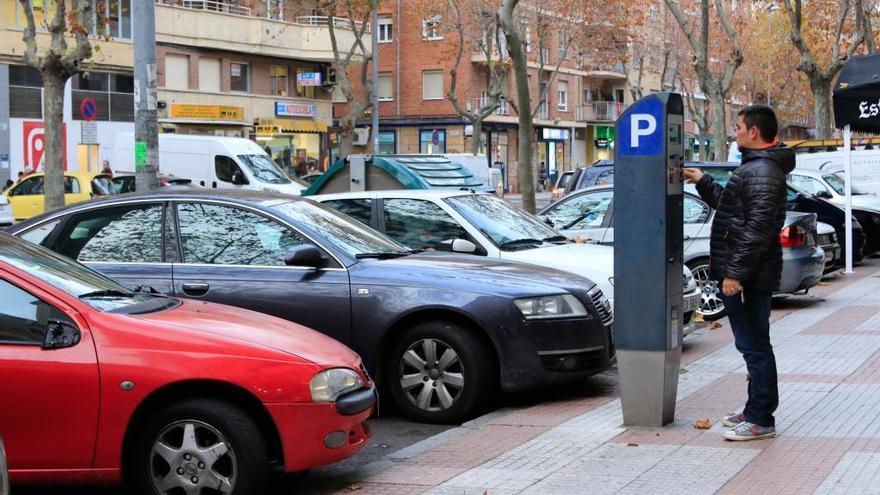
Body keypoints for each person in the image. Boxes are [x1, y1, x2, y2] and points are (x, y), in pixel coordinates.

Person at [682, 105, 793, 441]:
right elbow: (733, 210)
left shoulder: (762, 171)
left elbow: (756, 229)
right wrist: (703, 181)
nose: (735, 133)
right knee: (754, 344)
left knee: (754, 346)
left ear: (754, 132)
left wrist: (734, 274)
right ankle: (754, 408)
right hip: (751, 272)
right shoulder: (759, 167)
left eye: (739, 127)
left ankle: (761, 419)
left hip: (748, 275)